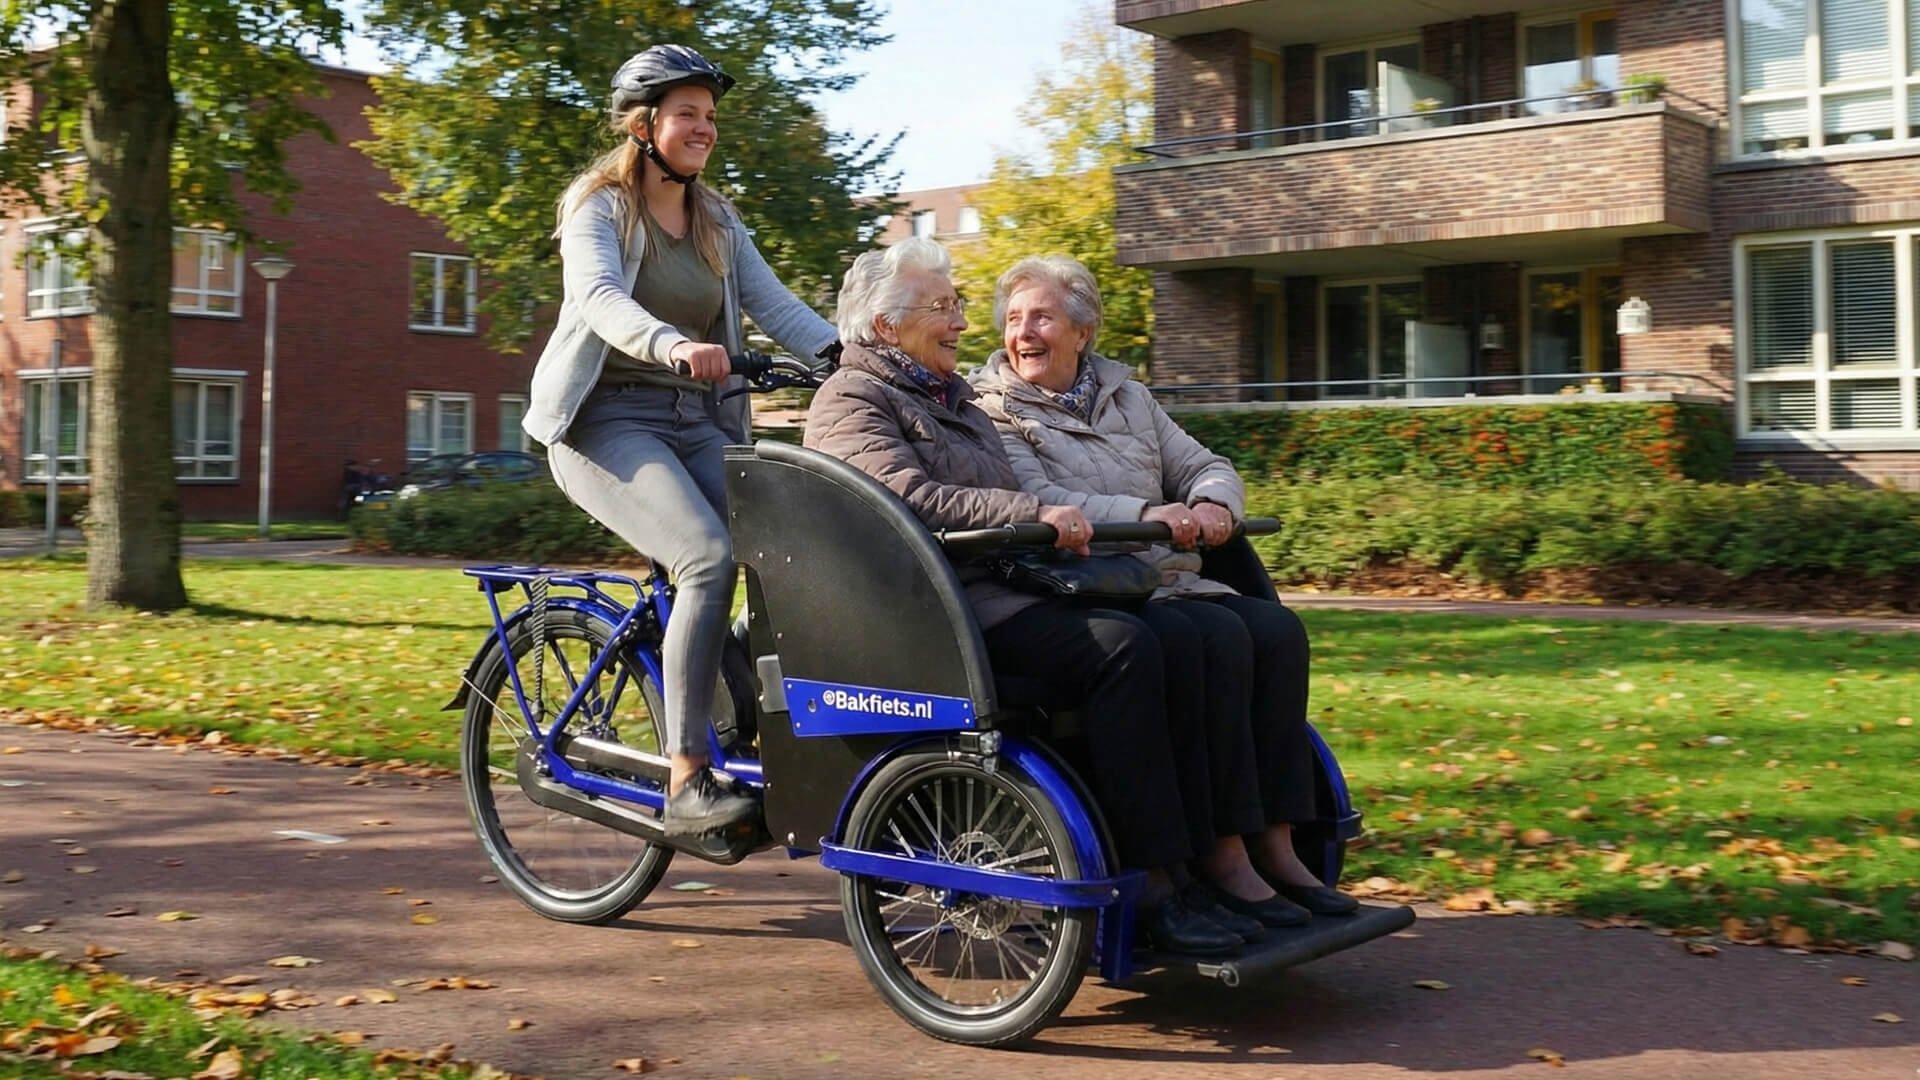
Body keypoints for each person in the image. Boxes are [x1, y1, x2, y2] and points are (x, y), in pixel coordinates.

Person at [804, 237, 1266, 956]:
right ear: (887, 326)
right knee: (1123, 651)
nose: (962, 322)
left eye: (957, 305)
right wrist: (1029, 517)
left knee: (1177, 634)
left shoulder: (949, 396)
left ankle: (1205, 859)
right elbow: (905, 496)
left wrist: (1046, 516)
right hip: (939, 612)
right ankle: (1151, 884)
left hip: (1003, 585)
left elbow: (1014, 490)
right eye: (944, 307)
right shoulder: (852, 398)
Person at [971, 254, 1358, 921]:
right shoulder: (995, 410)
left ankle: (1279, 838)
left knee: (1276, 630)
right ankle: (1221, 848)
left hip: (1168, 581)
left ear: (1083, 331)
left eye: (1041, 316)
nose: (1023, 332)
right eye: (1013, 318)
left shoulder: (1131, 398)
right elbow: (1037, 497)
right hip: (1088, 586)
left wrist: (1214, 504)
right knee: (1210, 639)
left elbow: (1205, 464)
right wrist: (1147, 517)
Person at [522, 44, 838, 837]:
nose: (704, 129)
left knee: (795, 549)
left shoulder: (717, 221)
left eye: (711, 117)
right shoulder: (599, 206)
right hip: (604, 423)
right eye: (687, 115)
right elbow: (597, 297)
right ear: (643, 125)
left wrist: (855, 362)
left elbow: (780, 307)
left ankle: (734, 704)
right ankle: (687, 777)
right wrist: (670, 344)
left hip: (697, 421)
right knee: (706, 556)